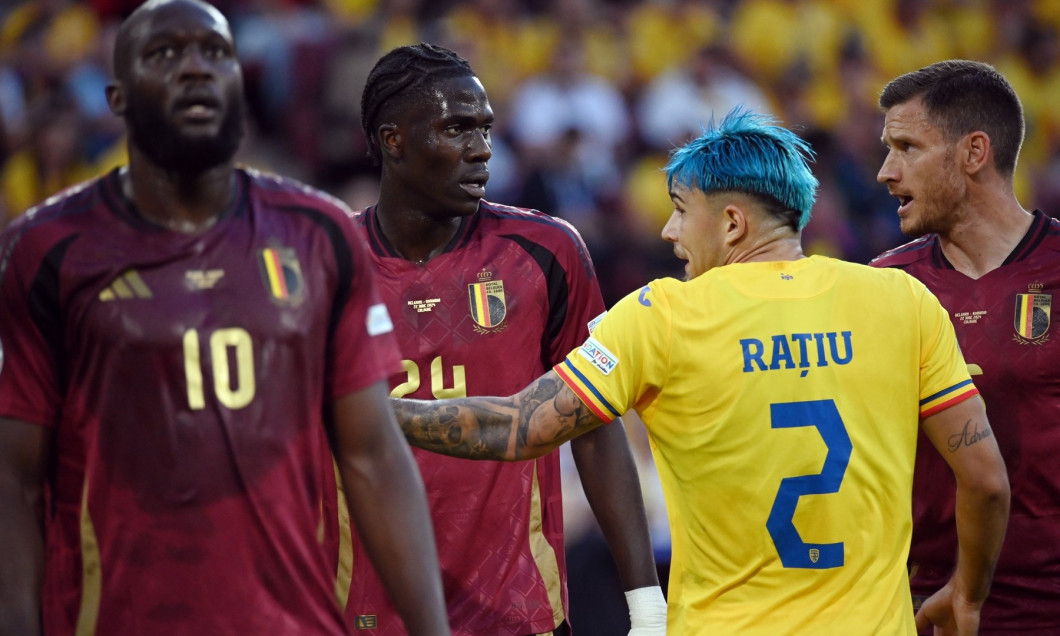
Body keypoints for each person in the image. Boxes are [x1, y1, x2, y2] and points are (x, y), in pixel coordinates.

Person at [386, 108, 1012, 635]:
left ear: (732, 222)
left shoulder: (664, 315)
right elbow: (985, 482)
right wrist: (968, 593)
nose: (668, 229)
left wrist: (371, 414)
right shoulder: (900, 300)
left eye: (682, 210)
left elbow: (519, 426)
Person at [0, 1, 448, 634]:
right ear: (118, 97)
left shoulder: (318, 233)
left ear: (241, 80)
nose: (195, 69)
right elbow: (14, 481)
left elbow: (374, 454)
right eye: (165, 54)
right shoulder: (48, 249)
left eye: (215, 53)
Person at [342, 42, 665, 636]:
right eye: (456, 129)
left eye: (486, 129)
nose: (481, 150)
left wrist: (646, 604)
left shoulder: (548, 252)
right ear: (394, 140)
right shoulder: (326, 266)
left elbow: (594, 426)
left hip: (518, 613)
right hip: (361, 614)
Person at [872, 59, 1060, 634]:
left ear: (974, 152)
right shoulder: (883, 287)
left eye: (907, 147)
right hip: (923, 611)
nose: (885, 171)